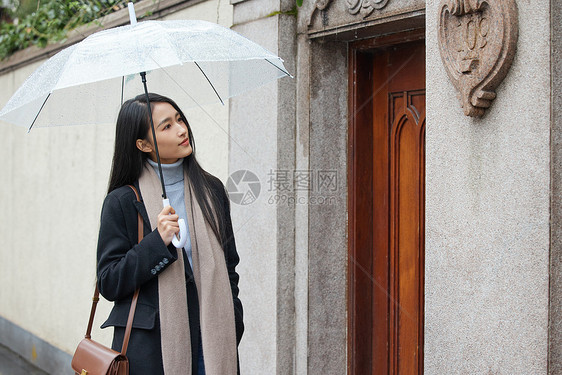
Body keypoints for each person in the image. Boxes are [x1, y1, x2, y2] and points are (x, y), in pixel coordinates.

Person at [96, 93, 244, 375]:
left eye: (179, 119)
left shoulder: (211, 191)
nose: (181, 129)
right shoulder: (123, 201)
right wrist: (155, 242)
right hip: (155, 351)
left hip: (212, 341)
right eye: (166, 126)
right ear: (143, 144)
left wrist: (233, 316)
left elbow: (229, 265)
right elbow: (109, 281)